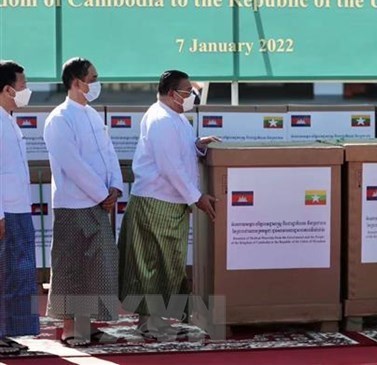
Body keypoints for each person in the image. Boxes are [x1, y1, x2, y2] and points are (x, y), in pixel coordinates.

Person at [118, 70, 218, 339]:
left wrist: (197, 145)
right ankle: (148, 322)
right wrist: (197, 197)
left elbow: (179, 152)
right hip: (155, 202)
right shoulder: (161, 119)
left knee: (168, 265)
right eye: (188, 91)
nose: (192, 95)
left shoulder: (176, 118)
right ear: (174, 94)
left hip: (169, 202)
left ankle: (157, 319)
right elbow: (170, 166)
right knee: (151, 264)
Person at [43, 58, 123, 346]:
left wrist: (115, 186)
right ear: (77, 82)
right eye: (93, 77)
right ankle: (69, 328)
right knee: (71, 267)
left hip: (99, 203)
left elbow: (108, 153)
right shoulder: (59, 118)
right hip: (73, 205)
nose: (97, 82)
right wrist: (103, 194)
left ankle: (87, 326)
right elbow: (72, 165)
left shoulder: (91, 115)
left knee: (98, 266)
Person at [0, 61, 40, 354]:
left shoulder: (8, 119)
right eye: (23, 85)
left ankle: (8, 331)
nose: (27, 90)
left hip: (19, 209)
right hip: (5, 212)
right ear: (6, 89)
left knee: (17, 273)